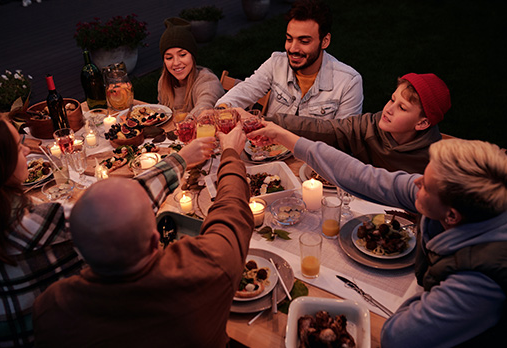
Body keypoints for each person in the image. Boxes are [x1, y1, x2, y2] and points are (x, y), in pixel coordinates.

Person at [256, 125, 507, 346]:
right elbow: (364, 176)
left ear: (451, 217)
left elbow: (397, 337)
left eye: (425, 186)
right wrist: (287, 137)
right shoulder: (460, 201)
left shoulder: (479, 280)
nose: (415, 183)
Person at [32, 125, 255, 347]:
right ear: (155, 239)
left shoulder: (51, 310)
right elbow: (232, 211)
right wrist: (230, 154)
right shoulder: (206, 267)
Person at [0, 111, 84, 347]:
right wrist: (179, 160)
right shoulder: (39, 223)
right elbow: (123, 215)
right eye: (19, 149)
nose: (27, 151)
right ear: (0, 164)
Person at [255, 72, 451, 173]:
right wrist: (268, 122)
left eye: (402, 108)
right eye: (392, 99)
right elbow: (322, 129)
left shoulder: (435, 160)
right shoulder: (368, 127)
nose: (388, 109)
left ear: (422, 123)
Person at [216, 0, 363, 119]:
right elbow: (246, 90)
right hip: (268, 152)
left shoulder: (348, 83)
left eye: (304, 41)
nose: (293, 48)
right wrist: (222, 108)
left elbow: (344, 139)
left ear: (325, 41)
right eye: (289, 39)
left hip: (313, 156)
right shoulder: (276, 63)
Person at [158, 17, 224, 116]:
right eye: (169, 57)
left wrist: (186, 123)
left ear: (192, 56)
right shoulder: (164, 81)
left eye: (182, 55)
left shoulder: (208, 80)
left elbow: (204, 107)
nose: (176, 63)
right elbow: (161, 110)